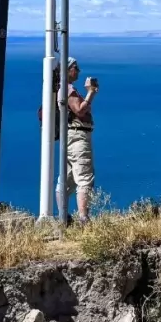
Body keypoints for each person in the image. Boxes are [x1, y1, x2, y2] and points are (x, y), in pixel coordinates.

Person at [63, 58, 97, 224]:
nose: (78, 71)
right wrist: (91, 92)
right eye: (75, 68)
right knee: (84, 177)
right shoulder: (68, 89)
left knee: (67, 179)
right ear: (67, 69)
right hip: (78, 137)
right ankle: (84, 219)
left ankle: (64, 217)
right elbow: (79, 110)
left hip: (71, 136)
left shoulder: (63, 88)